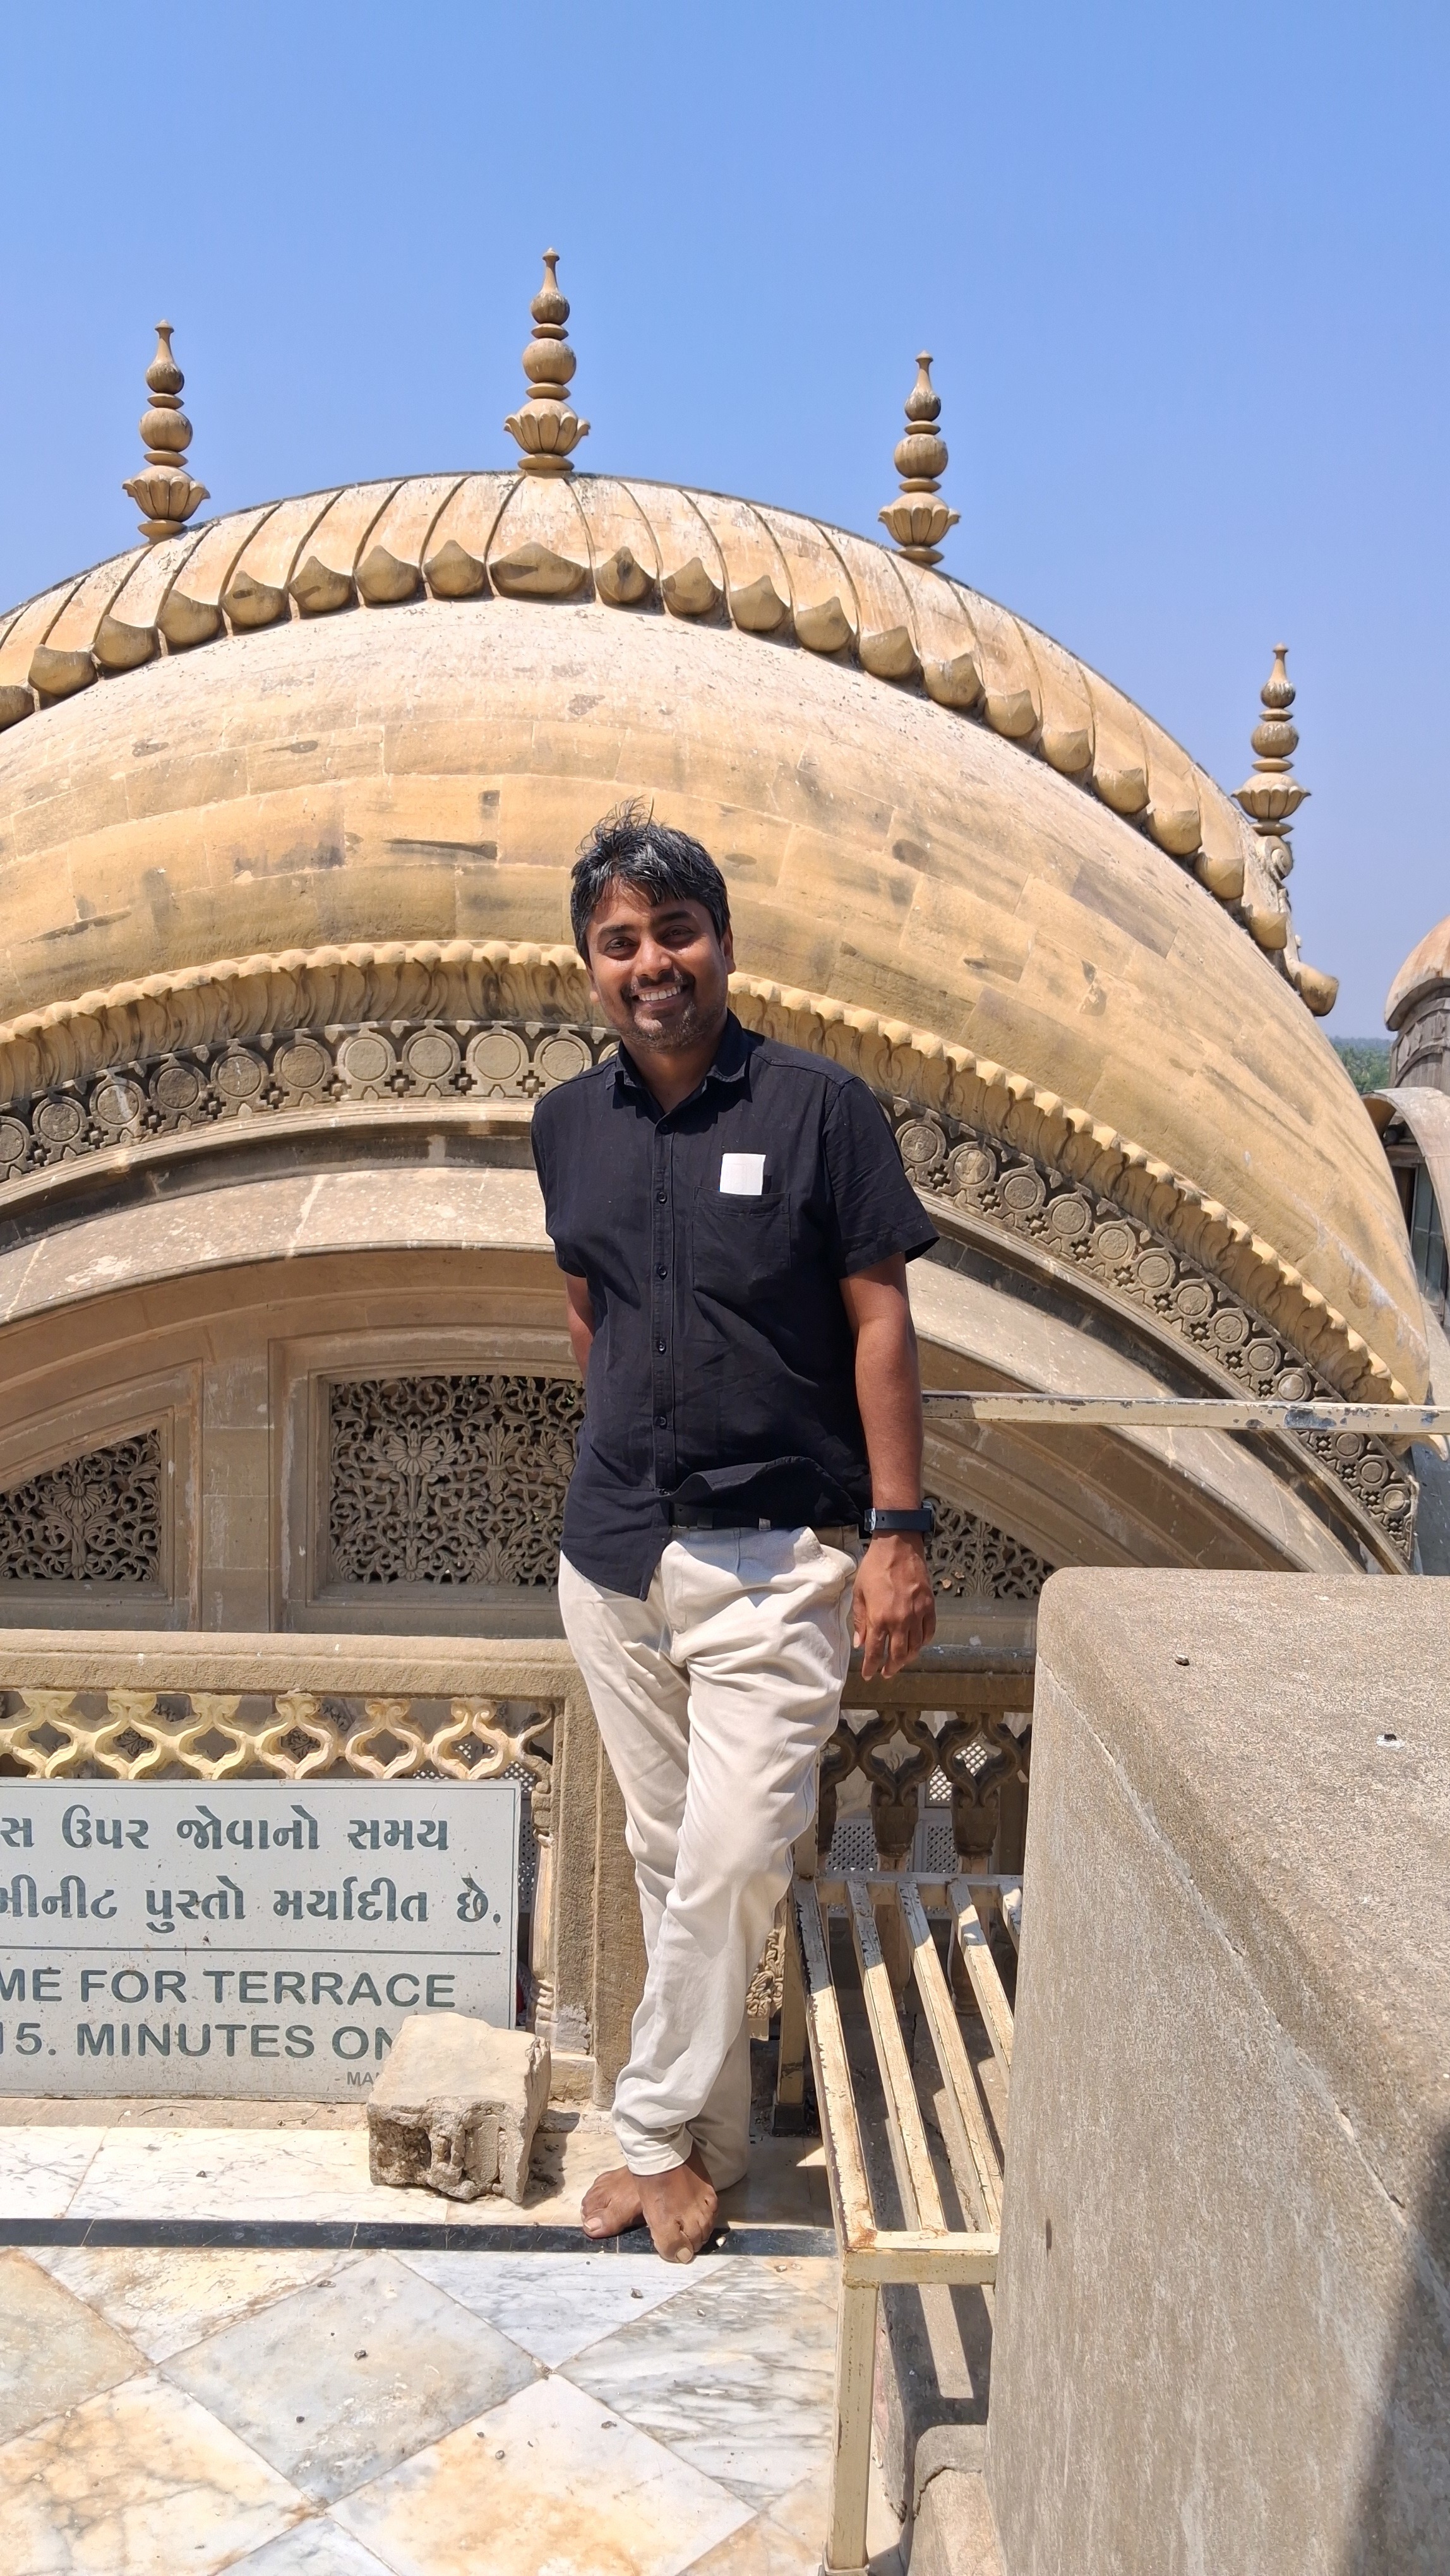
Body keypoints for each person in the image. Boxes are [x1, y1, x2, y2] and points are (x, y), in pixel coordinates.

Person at [531, 802, 938, 2263]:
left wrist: (895, 1533)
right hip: (616, 1557)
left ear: (721, 942)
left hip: (775, 1562)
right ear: (590, 965)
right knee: (667, 1863)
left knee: (727, 1862)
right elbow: (589, 1308)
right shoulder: (566, 1125)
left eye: (674, 933)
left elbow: (880, 1323)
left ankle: (645, 2137)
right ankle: (705, 2155)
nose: (650, 964)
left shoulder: (818, 1111)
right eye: (619, 942)